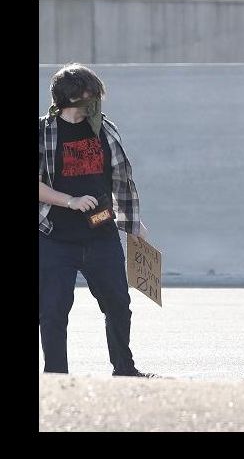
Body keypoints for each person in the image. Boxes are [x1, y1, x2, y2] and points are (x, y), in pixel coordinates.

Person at [39, 63, 155, 377]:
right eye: (91, 95)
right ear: (72, 98)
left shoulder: (105, 128)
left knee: (118, 304)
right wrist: (69, 201)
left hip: (101, 234)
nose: (96, 101)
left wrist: (132, 224)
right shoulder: (43, 131)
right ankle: (56, 377)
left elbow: (121, 180)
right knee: (52, 311)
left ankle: (124, 369)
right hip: (54, 237)